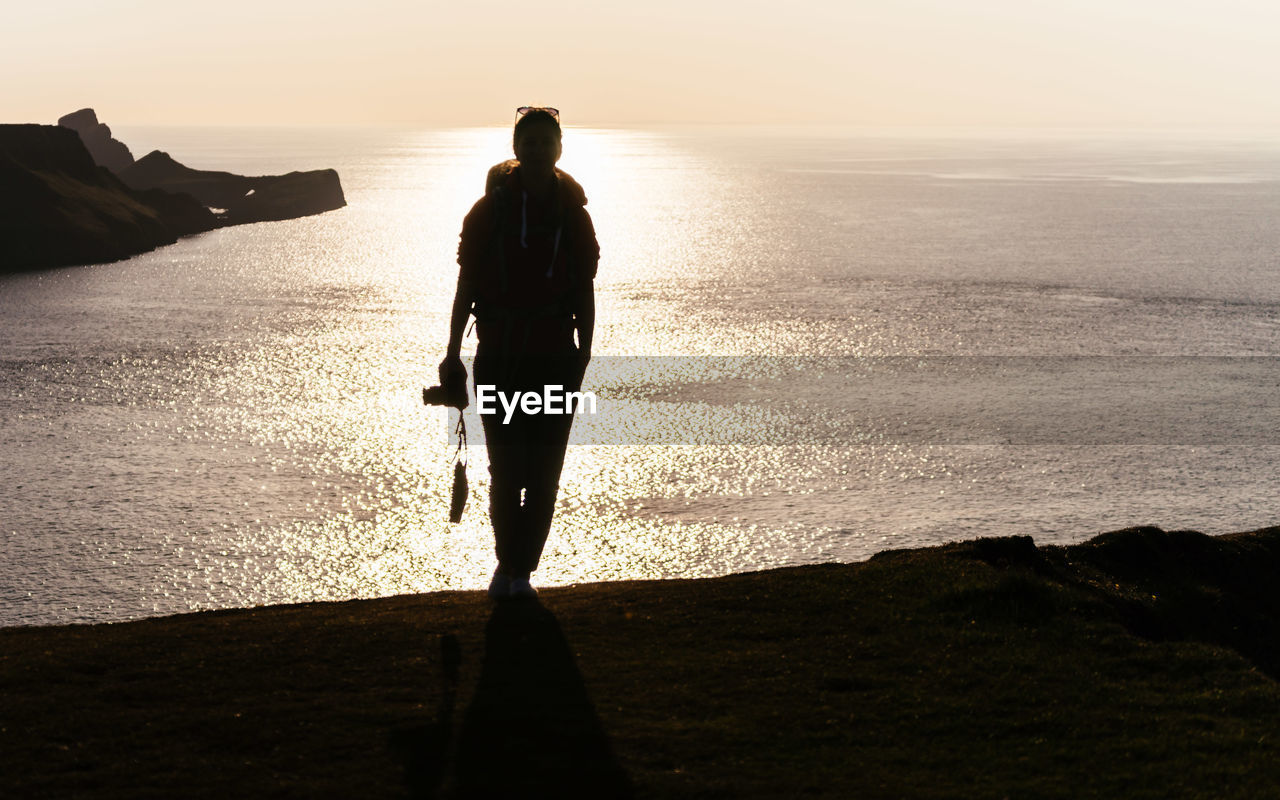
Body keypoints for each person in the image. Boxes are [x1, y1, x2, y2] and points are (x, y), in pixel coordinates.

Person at [439, 107, 599, 600]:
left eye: (544, 142)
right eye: (527, 141)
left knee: (545, 473)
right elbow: (466, 285)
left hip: (554, 358)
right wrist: (451, 353)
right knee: (507, 473)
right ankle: (508, 569)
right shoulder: (488, 213)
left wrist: (584, 355)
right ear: (516, 147)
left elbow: (585, 291)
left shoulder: (574, 216)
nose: (535, 149)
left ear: (558, 149)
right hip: (501, 359)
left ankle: (519, 573)